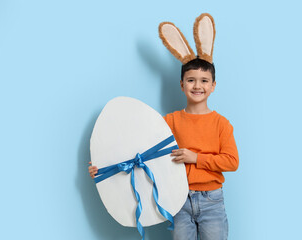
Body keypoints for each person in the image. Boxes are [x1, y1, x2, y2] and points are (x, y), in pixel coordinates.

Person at [90, 13, 239, 240]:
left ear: (213, 86)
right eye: (191, 80)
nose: (197, 85)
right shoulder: (168, 122)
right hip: (176, 199)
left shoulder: (221, 124)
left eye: (204, 81)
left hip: (212, 201)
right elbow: (139, 150)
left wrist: (196, 158)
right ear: (181, 84)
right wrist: (104, 168)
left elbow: (231, 161)